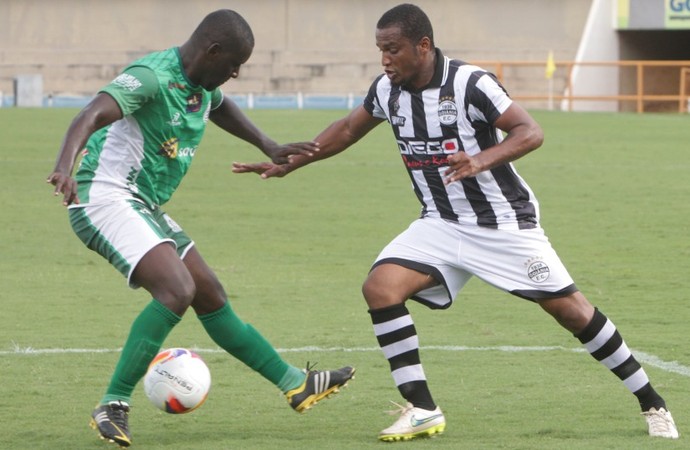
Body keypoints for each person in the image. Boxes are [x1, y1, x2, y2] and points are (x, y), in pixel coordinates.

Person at [232, 3, 679, 442]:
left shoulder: (470, 83)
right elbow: (348, 129)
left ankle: (652, 402)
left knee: (572, 313)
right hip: (440, 223)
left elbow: (530, 131)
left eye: (393, 49)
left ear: (423, 46)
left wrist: (481, 160)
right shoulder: (387, 89)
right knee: (380, 287)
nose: (385, 59)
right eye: (380, 50)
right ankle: (422, 409)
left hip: (503, 223)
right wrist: (292, 161)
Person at [46, 9, 355, 448]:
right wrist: (64, 167)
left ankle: (295, 383)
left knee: (209, 292)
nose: (235, 74)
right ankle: (112, 404)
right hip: (102, 195)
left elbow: (219, 106)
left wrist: (267, 143)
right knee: (176, 290)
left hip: (142, 202)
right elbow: (91, 114)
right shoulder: (152, 77)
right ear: (212, 51)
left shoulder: (201, 86)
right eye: (233, 65)